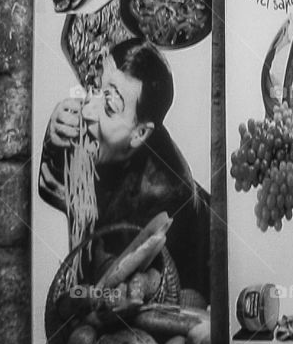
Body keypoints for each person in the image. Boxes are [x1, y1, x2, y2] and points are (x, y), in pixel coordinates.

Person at [39, 38, 211, 302]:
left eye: (109, 107)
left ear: (140, 134)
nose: (88, 110)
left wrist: (76, 214)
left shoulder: (163, 193)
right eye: (95, 88)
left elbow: (106, 296)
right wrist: (52, 140)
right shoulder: (106, 137)